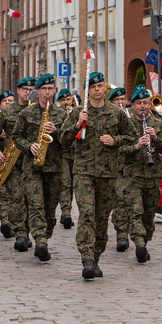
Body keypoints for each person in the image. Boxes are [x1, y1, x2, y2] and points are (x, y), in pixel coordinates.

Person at [60, 72, 136, 279]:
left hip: (108, 174)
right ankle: (87, 259)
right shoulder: (78, 112)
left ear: (104, 89)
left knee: (101, 219)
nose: (96, 89)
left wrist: (115, 140)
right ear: (87, 90)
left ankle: (96, 257)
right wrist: (76, 125)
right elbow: (63, 140)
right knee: (86, 214)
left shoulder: (116, 113)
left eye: (100, 86)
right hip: (83, 172)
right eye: (92, 86)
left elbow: (132, 137)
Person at [12, 74, 67, 261]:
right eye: (44, 89)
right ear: (38, 91)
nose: (48, 92)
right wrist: (29, 146)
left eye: (51, 89)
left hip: (54, 168)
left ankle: (45, 236)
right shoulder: (27, 113)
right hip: (32, 167)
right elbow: (16, 137)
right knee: (36, 205)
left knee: (50, 208)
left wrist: (57, 132)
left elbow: (69, 141)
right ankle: (40, 241)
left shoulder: (61, 114)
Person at [118, 85, 162, 264]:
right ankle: (139, 242)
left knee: (148, 214)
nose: (143, 106)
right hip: (132, 176)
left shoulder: (157, 123)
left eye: (146, 103)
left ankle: (144, 243)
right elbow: (119, 150)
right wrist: (137, 146)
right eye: (139, 103)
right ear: (132, 105)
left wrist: (155, 138)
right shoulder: (125, 122)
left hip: (152, 175)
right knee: (135, 211)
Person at [0, 77, 35, 247]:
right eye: (25, 89)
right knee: (17, 198)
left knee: (33, 200)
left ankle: (30, 230)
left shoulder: (38, 110)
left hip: (35, 162)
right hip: (13, 162)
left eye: (31, 89)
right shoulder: (8, 111)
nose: (28, 92)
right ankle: (21, 234)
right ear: (18, 91)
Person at [105, 86, 130, 251]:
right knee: (120, 201)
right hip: (117, 166)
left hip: (135, 168)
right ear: (112, 102)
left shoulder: (133, 116)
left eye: (123, 99)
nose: (121, 103)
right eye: (117, 100)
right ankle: (122, 235)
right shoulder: (110, 117)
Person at [56, 88, 75, 229]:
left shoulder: (76, 113)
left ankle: (66, 213)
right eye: (63, 100)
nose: (66, 102)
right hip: (62, 153)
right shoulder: (56, 115)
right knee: (65, 183)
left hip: (76, 154)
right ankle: (66, 211)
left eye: (68, 99)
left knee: (73, 184)